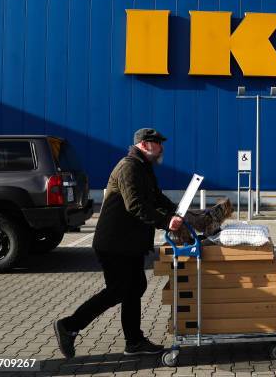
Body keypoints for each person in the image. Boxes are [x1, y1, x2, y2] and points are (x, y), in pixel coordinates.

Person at [53, 128, 183, 358]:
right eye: (158, 143)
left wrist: (178, 212)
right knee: (118, 290)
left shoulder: (143, 167)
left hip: (129, 243)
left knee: (135, 288)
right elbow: (135, 205)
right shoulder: (129, 167)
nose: (162, 148)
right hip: (114, 243)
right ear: (144, 144)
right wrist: (165, 221)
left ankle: (134, 342)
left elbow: (156, 197)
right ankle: (69, 326)